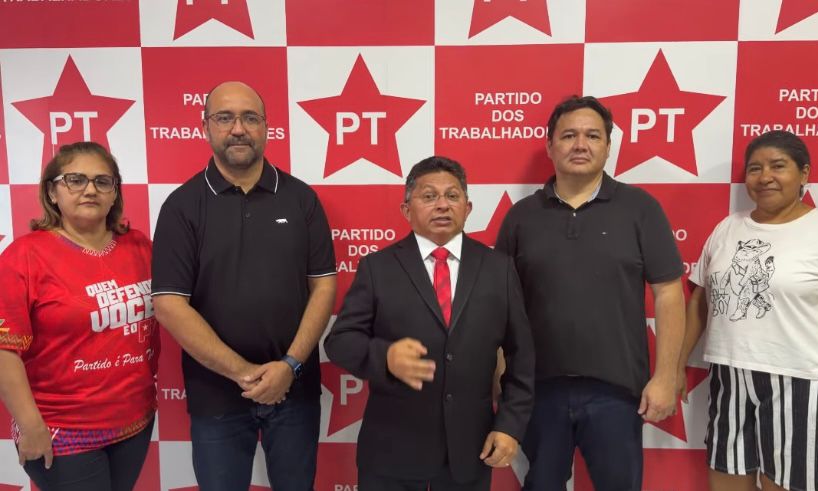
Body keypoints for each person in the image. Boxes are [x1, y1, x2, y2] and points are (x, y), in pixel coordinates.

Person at [151, 81, 336, 491]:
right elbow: (169, 305)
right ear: (205, 127)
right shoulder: (182, 206)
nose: (238, 129)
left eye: (250, 118)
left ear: (266, 127)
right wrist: (246, 374)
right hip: (216, 395)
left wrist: (289, 366)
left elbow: (324, 286)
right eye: (225, 118)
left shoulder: (302, 199)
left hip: (294, 389)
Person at [495, 95, 686, 490]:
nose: (580, 145)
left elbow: (669, 292)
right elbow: (499, 305)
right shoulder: (521, 217)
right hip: (538, 391)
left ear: (608, 146)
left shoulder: (641, 209)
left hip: (617, 393)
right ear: (550, 146)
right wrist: (500, 376)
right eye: (568, 135)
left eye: (592, 136)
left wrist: (666, 376)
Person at [324, 156, 534, 491]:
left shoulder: (499, 269)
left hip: (470, 451)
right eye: (429, 196)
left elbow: (522, 357)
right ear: (407, 210)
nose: (442, 205)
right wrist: (385, 357)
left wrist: (510, 426)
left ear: (467, 207)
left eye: (452, 196)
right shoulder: (378, 268)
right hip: (392, 451)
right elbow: (340, 341)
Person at [0, 141, 159, 491]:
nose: (90, 190)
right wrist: (30, 425)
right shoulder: (24, 256)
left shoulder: (140, 247)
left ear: (114, 193)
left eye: (103, 181)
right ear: (52, 192)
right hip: (62, 429)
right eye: (75, 180)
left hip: (134, 421)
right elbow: (4, 350)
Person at [679, 130, 818, 491]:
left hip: (800, 379)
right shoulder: (728, 227)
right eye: (755, 168)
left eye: (778, 166)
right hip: (729, 375)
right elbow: (701, 301)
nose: (765, 177)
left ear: (804, 173)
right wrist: (675, 366)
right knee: (726, 477)